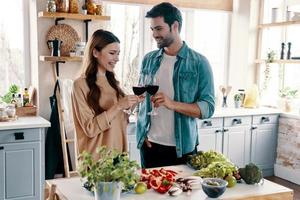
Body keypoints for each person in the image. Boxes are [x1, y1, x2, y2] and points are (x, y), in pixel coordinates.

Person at [136, 2, 215, 168]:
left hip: (182, 149)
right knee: (149, 194)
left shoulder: (199, 63)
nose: (154, 35)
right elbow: (142, 99)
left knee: (182, 193)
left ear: (175, 26)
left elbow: (208, 108)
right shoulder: (148, 60)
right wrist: (142, 133)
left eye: (159, 29)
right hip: (150, 146)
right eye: (152, 30)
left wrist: (172, 104)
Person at [72, 29, 141, 159]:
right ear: (95, 52)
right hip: (96, 160)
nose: (117, 59)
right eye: (112, 53)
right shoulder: (80, 85)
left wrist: (133, 103)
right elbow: (90, 128)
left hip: (118, 157)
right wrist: (118, 106)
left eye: (118, 54)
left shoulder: (113, 82)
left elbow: (120, 120)